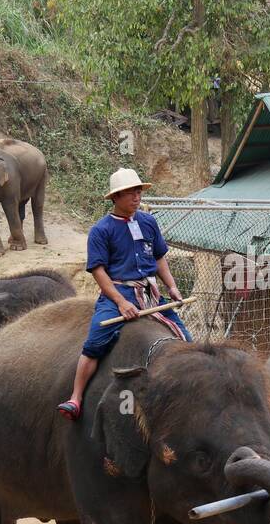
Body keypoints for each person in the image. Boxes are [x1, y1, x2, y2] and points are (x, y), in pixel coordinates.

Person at [56, 168, 188, 419]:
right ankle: (76, 397)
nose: (136, 197)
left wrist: (171, 286)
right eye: (130, 193)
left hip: (151, 294)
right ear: (115, 197)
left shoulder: (149, 222)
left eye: (138, 192)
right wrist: (119, 302)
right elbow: (98, 271)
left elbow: (159, 257)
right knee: (95, 341)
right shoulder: (101, 230)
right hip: (118, 293)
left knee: (186, 338)